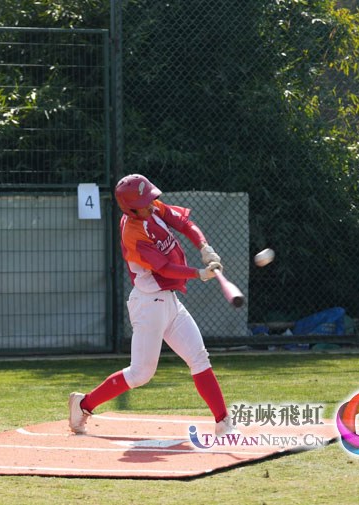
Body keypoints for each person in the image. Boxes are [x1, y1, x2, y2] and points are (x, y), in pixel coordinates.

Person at [69, 174, 238, 436]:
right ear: (130, 207)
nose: (152, 204)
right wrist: (199, 273)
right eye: (145, 202)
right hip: (149, 303)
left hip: (168, 300)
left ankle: (222, 421)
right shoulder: (132, 233)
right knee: (140, 374)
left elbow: (183, 222)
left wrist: (204, 246)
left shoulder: (151, 208)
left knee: (198, 357)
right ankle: (83, 405)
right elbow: (166, 268)